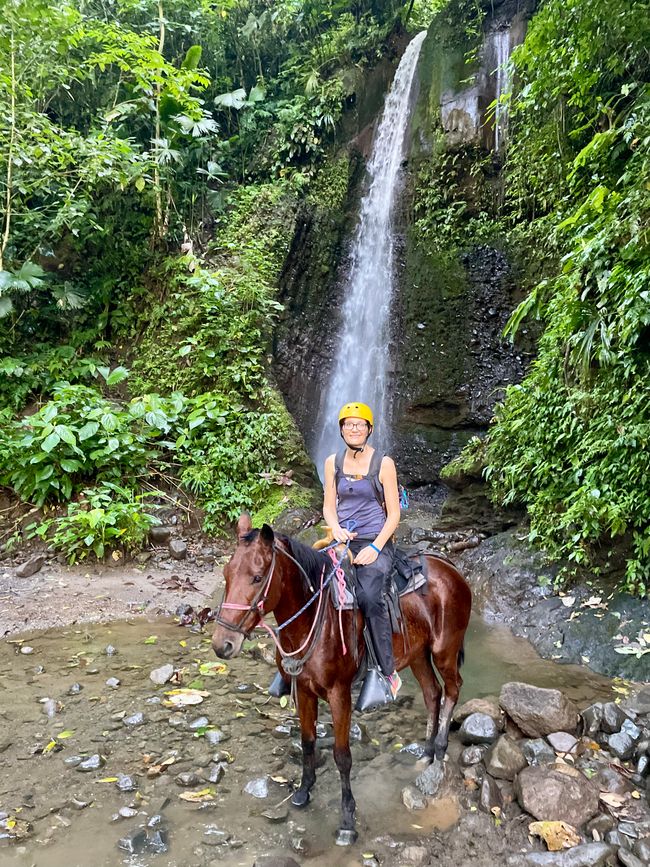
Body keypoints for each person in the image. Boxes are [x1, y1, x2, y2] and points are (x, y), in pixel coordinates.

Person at [322, 401, 402, 700]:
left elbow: (394, 515)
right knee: (311, 585)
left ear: (369, 429)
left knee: (369, 596)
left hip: (376, 540)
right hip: (343, 540)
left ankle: (387, 671)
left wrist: (375, 547)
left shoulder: (384, 464)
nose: (353, 429)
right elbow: (329, 507)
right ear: (341, 429)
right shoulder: (333, 462)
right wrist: (337, 531)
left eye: (359, 424)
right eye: (348, 424)